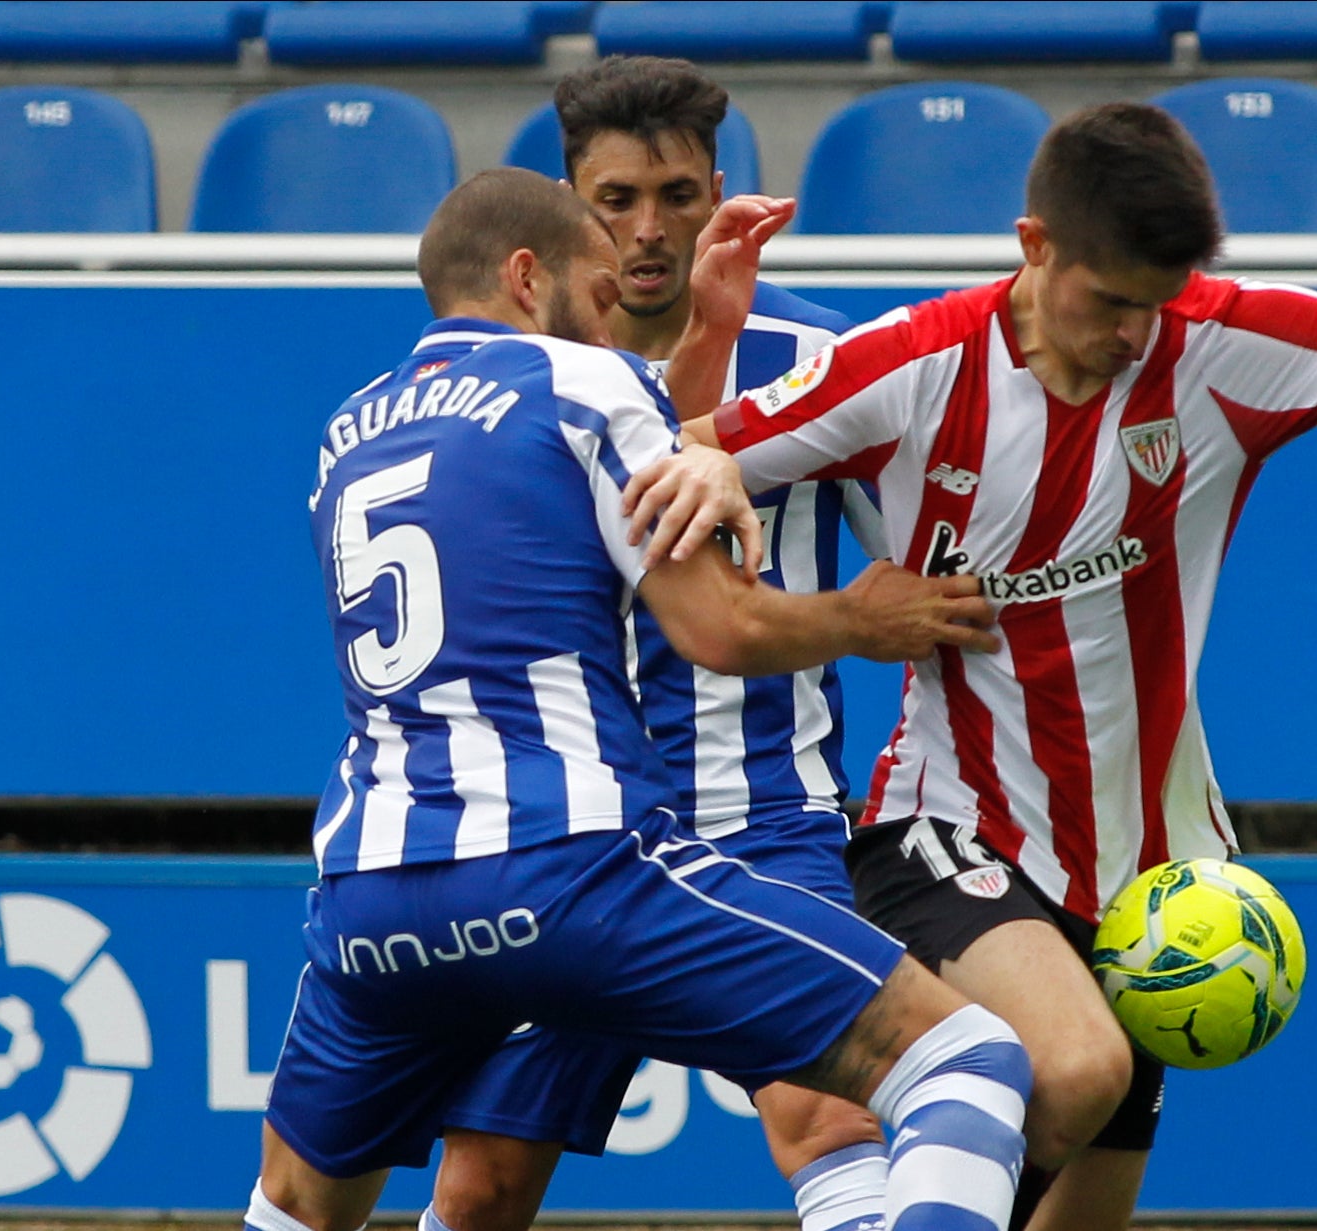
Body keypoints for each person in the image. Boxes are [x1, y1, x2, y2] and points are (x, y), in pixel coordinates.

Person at [628, 102, 1317, 1231]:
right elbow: (680, 453)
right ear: (1034, 245)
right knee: (1077, 1066)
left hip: (1157, 881)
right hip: (948, 823)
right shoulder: (914, 365)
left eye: (1155, 307)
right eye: (1109, 303)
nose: (1133, 337)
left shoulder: (1221, 343)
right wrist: (716, 480)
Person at [245, 166, 1032, 1231]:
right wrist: (859, 618)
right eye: (600, 287)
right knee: (966, 1060)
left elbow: (582, 473)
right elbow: (719, 631)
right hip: (569, 868)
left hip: (372, 895)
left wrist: (704, 336)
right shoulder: (581, 384)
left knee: (296, 1204)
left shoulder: (351, 432)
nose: (615, 312)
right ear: (530, 278)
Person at [430, 58, 899, 1231]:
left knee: (829, 1115)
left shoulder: (819, 359)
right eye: (616, 200)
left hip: (763, 812)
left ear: (720, 193)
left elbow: (910, 571)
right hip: (572, 827)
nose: (649, 232)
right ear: (563, 202)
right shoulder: (519, 373)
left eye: (679, 197)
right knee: (481, 1184)